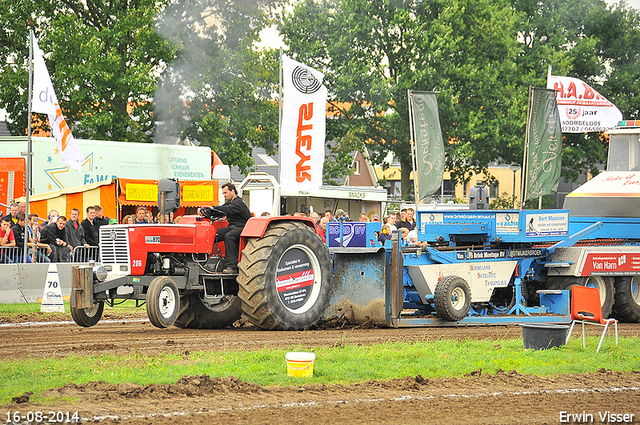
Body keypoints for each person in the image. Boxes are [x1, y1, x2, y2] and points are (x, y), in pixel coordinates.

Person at [210, 182, 251, 274]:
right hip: (232, 227)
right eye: (223, 193)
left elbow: (227, 210)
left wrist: (212, 208)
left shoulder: (239, 203)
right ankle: (206, 260)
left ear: (232, 191)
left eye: (225, 193)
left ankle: (232, 266)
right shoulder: (230, 203)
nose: (224, 195)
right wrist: (209, 211)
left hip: (243, 227)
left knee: (229, 236)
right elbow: (219, 211)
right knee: (213, 234)